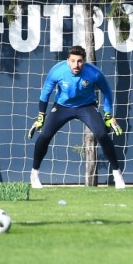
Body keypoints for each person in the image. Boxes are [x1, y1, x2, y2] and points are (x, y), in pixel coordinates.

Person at [27, 45, 125, 189]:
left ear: (84, 61)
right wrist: (41, 115)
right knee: (45, 135)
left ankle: (117, 175)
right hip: (62, 107)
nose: (76, 65)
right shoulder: (57, 71)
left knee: (102, 135)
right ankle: (34, 174)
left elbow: (107, 92)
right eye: (73, 61)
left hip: (87, 107)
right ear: (68, 60)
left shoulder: (95, 73)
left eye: (79, 61)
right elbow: (45, 93)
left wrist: (108, 115)